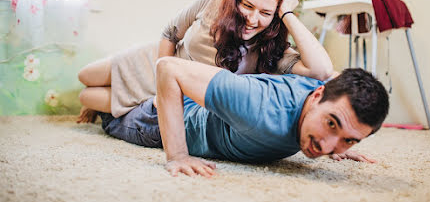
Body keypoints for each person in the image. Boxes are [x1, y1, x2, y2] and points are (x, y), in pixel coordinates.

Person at [77, 0, 333, 123]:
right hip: (157, 63)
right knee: (85, 76)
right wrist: (159, 85)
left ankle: (104, 111)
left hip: (180, 92)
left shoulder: (272, 48)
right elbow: (169, 34)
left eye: (266, 13)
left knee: (87, 97)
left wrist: (288, 14)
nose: (253, 19)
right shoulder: (213, 0)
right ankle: (109, 104)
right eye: (247, 6)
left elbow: (320, 70)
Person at [97, 57, 389, 177]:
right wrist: (177, 156)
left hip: (196, 100)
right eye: (331, 124)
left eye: (348, 140)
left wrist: (340, 141)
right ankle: (104, 94)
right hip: (155, 121)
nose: (326, 147)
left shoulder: (330, 93)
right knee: (104, 112)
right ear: (316, 97)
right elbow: (167, 67)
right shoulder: (258, 108)